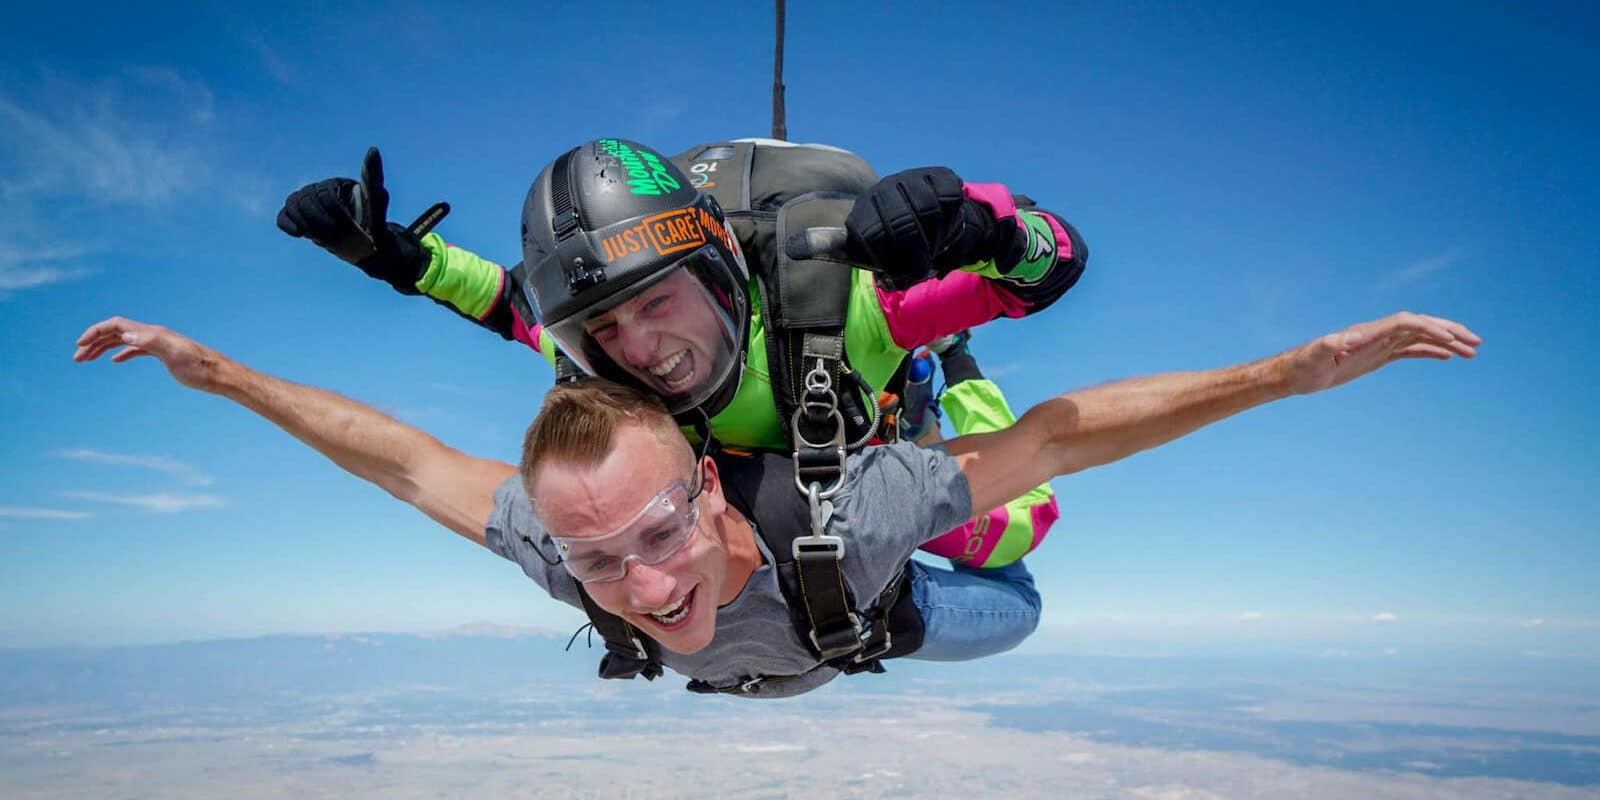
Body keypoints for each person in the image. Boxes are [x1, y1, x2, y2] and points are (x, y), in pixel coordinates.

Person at [74, 311, 1479, 698]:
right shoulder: (567, 556)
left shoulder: (839, 515)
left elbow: (1060, 438)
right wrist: (218, 377)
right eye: (597, 557)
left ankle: (933, 380)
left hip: (885, 605)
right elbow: (402, 460)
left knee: (1016, 588)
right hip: (804, 639)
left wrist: (1290, 375)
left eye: (661, 529)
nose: (640, 583)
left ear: (708, 482)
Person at [278, 137, 1089, 568]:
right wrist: (398, 257)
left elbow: (1049, 264)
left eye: (655, 302)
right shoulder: (595, 352)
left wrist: (988, 228)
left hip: (872, 433)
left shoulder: (846, 299)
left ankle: (955, 361)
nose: (638, 350)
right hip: (779, 487)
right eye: (602, 326)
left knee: (1012, 542)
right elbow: (502, 299)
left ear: (724, 271)